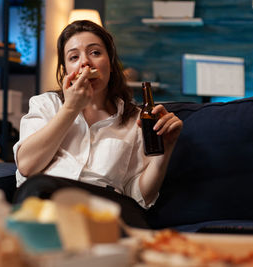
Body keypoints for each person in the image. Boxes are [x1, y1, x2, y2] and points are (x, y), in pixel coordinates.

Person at [12, 20, 183, 228]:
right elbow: (27, 166)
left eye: (95, 53)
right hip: (47, 203)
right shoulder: (45, 105)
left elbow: (138, 197)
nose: (85, 63)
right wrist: (70, 109)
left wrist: (165, 152)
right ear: (66, 69)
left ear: (110, 63)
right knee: (37, 188)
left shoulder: (136, 120)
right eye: (74, 57)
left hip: (105, 210)